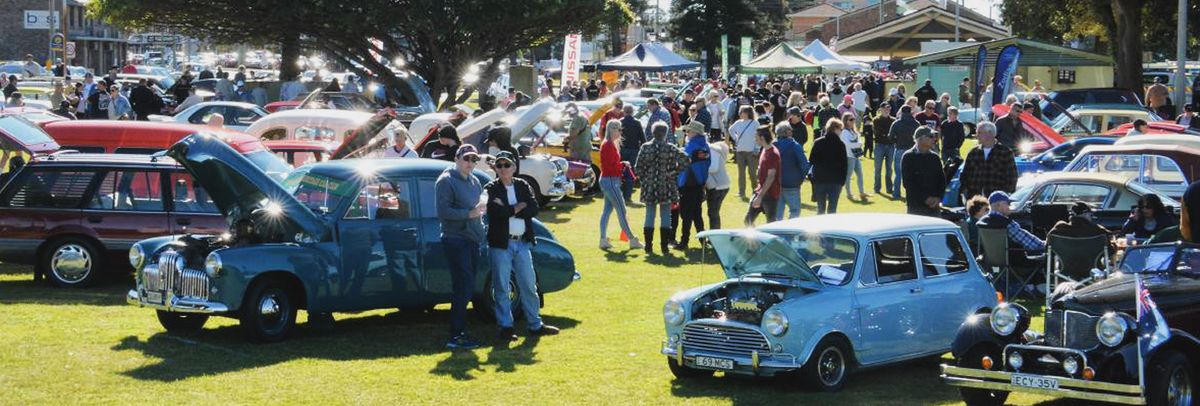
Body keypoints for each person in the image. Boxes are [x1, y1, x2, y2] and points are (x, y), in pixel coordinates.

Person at [484, 151, 559, 341]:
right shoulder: (491, 188)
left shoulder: (522, 185)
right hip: (501, 244)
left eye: (506, 165)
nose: (503, 169)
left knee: (528, 284)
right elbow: (494, 213)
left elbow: (534, 208)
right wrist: (518, 207)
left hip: (522, 242)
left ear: (514, 167)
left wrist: (508, 210)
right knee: (501, 287)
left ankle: (535, 324)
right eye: (499, 166)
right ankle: (506, 327)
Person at [436, 145, 487, 350]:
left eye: (474, 159)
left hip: (472, 240)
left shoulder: (475, 181)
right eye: (466, 159)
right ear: (457, 159)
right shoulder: (446, 181)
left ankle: (460, 332)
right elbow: (443, 211)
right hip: (455, 239)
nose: (470, 163)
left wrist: (479, 223)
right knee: (463, 287)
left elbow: (478, 210)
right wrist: (469, 214)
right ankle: (456, 336)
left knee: (467, 287)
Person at [636, 123, 688, 255]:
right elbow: (686, 160)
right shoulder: (670, 147)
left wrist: (644, 179)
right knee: (666, 215)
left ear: (653, 133)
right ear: (666, 134)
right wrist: (674, 172)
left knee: (649, 215)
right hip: (666, 185)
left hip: (650, 184)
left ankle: (648, 246)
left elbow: (638, 167)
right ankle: (664, 247)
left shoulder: (645, 147)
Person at [598, 121, 645, 250]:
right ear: (612, 130)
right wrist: (623, 165)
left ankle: (603, 239)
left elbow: (610, 165)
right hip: (611, 180)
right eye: (618, 129)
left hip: (608, 180)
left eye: (620, 129)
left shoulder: (609, 144)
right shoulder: (608, 145)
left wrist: (621, 164)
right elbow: (611, 166)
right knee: (621, 210)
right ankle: (632, 239)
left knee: (607, 211)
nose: (620, 132)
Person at [976, 191, 1045, 270]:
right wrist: (1047, 245)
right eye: (1008, 203)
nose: (1010, 206)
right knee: (1047, 258)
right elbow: (1033, 244)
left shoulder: (982, 222)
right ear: (999, 205)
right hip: (1014, 263)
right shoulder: (1007, 224)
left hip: (990, 262)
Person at [959, 121, 1017, 200]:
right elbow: (965, 174)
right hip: (975, 199)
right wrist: (965, 190)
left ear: (990, 134)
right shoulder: (973, 152)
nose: (977, 135)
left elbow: (1012, 177)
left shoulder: (1005, 152)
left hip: (996, 201)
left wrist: (1004, 196)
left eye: (979, 132)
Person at [674, 121, 710, 249]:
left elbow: (681, 162)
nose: (686, 133)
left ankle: (684, 242)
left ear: (694, 132)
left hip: (688, 183)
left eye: (688, 131)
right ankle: (703, 241)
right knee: (697, 214)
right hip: (699, 183)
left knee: (686, 215)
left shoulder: (691, 146)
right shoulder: (705, 146)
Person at [901, 127, 945, 216]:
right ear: (920, 138)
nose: (934, 139)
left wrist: (938, 198)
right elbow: (908, 182)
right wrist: (925, 199)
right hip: (916, 207)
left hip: (934, 207)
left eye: (935, 136)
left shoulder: (935, 157)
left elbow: (942, 180)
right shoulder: (908, 157)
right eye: (931, 136)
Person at [810, 119, 849, 214]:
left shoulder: (818, 142)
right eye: (840, 129)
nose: (841, 131)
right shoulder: (840, 145)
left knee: (820, 209)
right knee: (832, 210)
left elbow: (812, 160)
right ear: (835, 129)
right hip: (835, 181)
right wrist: (842, 181)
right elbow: (844, 165)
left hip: (820, 180)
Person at [744, 126, 780, 226]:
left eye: (756, 136)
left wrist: (760, 196)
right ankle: (755, 240)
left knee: (771, 224)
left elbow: (771, 177)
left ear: (762, 138)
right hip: (760, 190)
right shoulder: (764, 150)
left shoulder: (773, 154)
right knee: (748, 220)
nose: (754, 139)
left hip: (770, 194)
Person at [774, 121, 809, 220]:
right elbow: (804, 165)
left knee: (778, 213)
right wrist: (801, 177)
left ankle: (777, 231)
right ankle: (790, 232)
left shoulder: (772, 146)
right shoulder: (795, 145)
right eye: (790, 129)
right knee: (794, 211)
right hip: (792, 183)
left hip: (776, 182)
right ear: (787, 132)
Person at [888, 105, 919, 199]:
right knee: (912, 173)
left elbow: (890, 137)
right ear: (910, 112)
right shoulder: (916, 123)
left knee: (898, 173)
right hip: (912, 150)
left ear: (901, 112)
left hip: (900, 148)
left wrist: (896, 142)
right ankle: (912, 194)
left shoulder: (896, 123)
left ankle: (896, 194)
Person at [729, 106, 759, 198]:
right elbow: (730, 130)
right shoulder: (738, 123)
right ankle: (741, 192)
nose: (741, 114)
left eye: (743, 112)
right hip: (740, 151)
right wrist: (735, 138)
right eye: (740, 112)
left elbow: (758, 136)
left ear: (748, 113)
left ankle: (756, 191)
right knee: (741, 173)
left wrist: (757, 148)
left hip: (751, 152)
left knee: (752, 173)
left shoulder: (755, 123)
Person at [705, 129, 731, 229]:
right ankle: (714, 234)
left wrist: (703, 167)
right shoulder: (715, 150)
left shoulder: (712, 151)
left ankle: (714, 235)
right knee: (713, 212)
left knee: (713, 212)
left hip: (718, 186)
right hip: (720, 184)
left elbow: (713, 168)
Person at [840, 113, 867, 201]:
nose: (853, 121)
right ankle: (848, 193)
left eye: (853, 119)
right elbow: (847, 145)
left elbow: (859, 139)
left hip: (855, 156)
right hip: (849, 156)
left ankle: (862, 192)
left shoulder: (853, 130)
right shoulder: (844, 132)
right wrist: (858, 144)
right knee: (848, 175)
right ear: (846, 121)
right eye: (850, 120)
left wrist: (858, 143)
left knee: (860, 174)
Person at [872, 103, 896, 195]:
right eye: (885, 108)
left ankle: (889, 188)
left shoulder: (893, 120)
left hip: (890, 146)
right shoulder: (876, 120)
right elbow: (878, 132)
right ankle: (877, 188)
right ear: (881, 109)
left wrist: (887, 135)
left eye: (889, 108)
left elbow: (893, 133)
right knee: (878, 168)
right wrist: (888, 135)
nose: (887, 110)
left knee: (889, 169)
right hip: (879, 145)